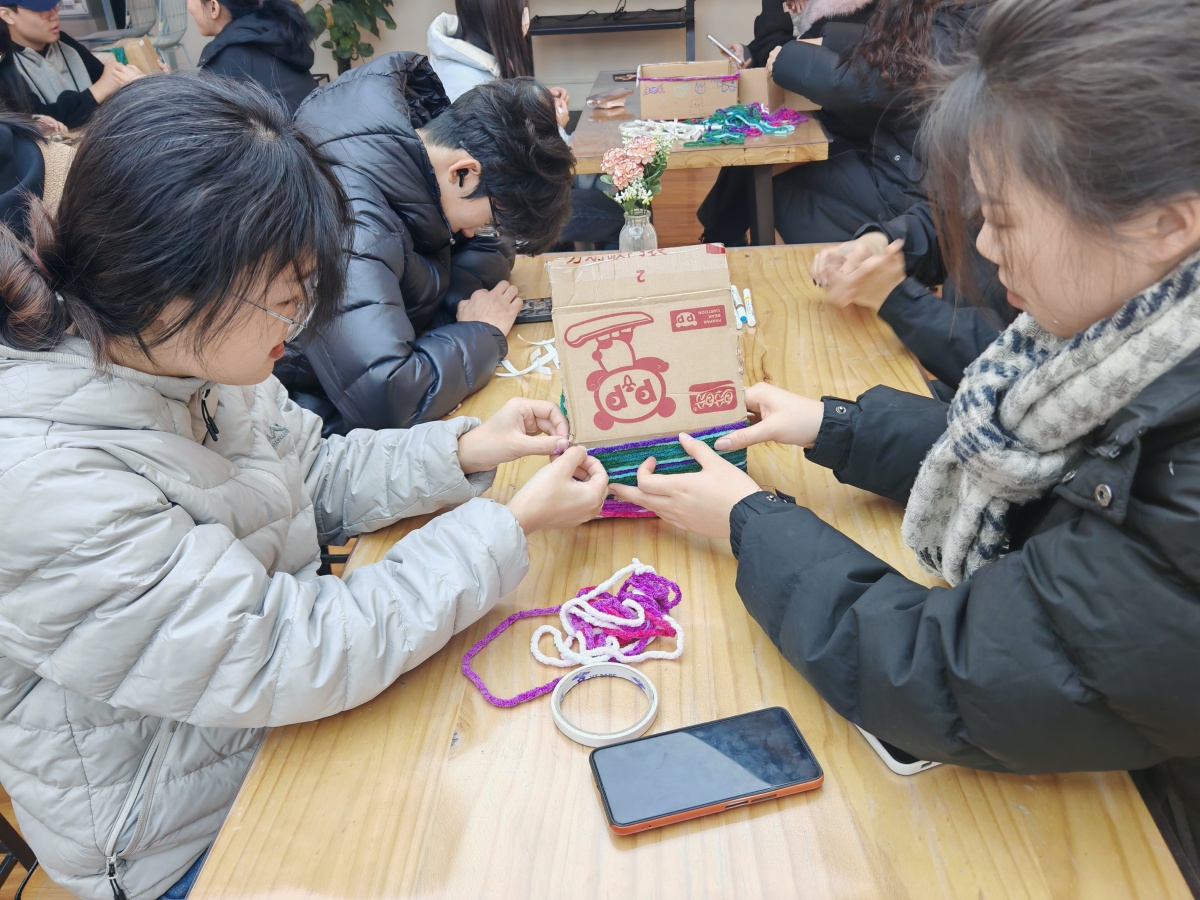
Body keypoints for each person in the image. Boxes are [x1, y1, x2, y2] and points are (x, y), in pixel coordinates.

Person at [613, 0, 1200, 889]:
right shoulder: (1124, 349)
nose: (986, 250)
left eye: (1006, 219)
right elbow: (1050, 477)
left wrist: (750, 519)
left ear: (1167, 223)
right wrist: (834, 426)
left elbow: (944, 672)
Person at [0, 72, 608, 899]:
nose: (298, 329)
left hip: (275, 727)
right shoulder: (46, 479)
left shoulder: (180, 353)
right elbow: (286, 650)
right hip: (180, 830)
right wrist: (508, 527)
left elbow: (311, 470)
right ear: (178, 285)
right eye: (287, 301)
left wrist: (466, 448)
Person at [283, 52, 574, 435]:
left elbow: (492, 244)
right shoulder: (354, 220)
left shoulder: (413, 157)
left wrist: (449, 313)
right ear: (463, 172)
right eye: (490, 219)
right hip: (311, 427)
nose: (473, 232)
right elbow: (388, 398)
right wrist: (479, 332)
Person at [698, 0, 989, 247]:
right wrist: (751, 52)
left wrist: (775, 19)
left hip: (866, 138)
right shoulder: (941, 16)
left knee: (764, 176)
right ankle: (722, 236)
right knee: (756, 158)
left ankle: (723, 238)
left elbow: (820, 64)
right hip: (887, 145)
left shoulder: (935, 21)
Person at [427, 0, 625, 249]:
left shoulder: (467, 59)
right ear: (500, 17)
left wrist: (536, 104)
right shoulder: (467, 81)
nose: (527, 18)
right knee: (620, 215)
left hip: (511, 197)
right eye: (522, 11)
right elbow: (514, 166)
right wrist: (554, 126)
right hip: (508, 210)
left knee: (608, 188)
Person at [811, 199, 1013, 392]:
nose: (981, 243)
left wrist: (900, 300)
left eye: (1003, 223)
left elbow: (1010, 363)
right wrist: (878, 243)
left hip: (979, 393)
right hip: (959, 383)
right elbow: (953, 223)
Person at [0, 0, 146, 128]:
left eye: (54, 5)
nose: (54, 15)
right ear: (7, 15)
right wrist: (99, 89)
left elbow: (106, 79)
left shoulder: (63, 42)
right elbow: (36, 122)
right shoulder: (4, 63)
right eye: (41, 9)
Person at [191, 0, 319, 116]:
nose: (189, 7)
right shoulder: (274, 34)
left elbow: (200, 126)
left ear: (213, 7)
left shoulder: (229, 57)